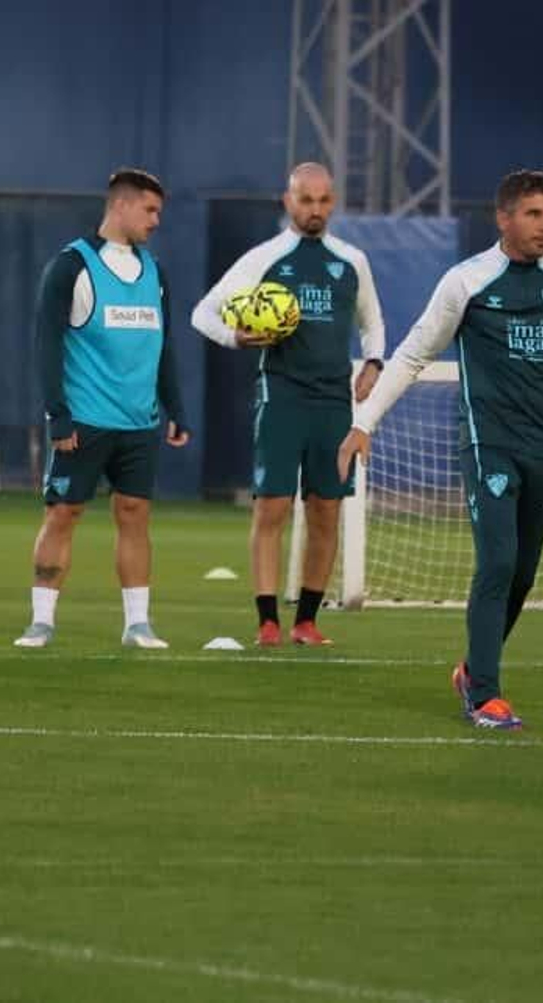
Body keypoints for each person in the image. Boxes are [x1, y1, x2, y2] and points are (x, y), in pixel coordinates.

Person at [339, 169, 543, 730]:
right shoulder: (466, 281)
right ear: (504, 218)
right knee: (498, 562)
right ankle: (485, 696)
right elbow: (411, 355)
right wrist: (364, 423)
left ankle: (471, 669)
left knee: (522, 576)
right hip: (487, 445)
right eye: (532, 214)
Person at [190, 163, 385, 646]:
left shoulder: (351, 261)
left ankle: (307, 622)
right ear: (287, 201)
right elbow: (202, 313)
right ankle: (268, 622)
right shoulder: (265, 258)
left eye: (322, 200)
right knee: (271, 509)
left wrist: (375, 362)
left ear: (333, 202)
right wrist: (235, 338)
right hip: (281, 399)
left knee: (326, 512)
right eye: (305, 200)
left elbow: (372, 323)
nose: (314, 209)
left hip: (334, 404)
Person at [13, 168, 190, 650]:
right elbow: (46, 344)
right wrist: (58, 415)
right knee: (63, 514)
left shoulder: (155, 273)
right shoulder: (72, 266)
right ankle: (42, 621)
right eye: (150, 210)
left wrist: (175, 406)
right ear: (121, 206)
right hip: (84, 422)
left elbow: (163, 344)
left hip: (139, 423)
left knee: (134, 514)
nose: (156, 221)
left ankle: (138, 625)